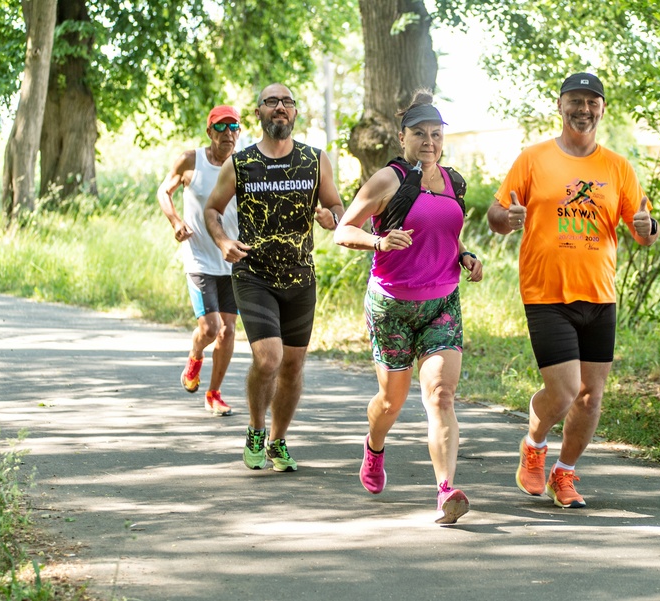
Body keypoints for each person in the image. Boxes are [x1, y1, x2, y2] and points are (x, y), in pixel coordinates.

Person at [487, 72, 660, 509]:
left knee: (590, 395)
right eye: (575, 101)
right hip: (546, 292)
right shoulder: (533, 159)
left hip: (599, 294)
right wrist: (506, 218)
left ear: (602, 109)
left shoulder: (618, 167)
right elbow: (495, 212)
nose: (584, 109)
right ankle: (534, 443)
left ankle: (563, 473)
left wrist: (648, 228)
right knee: (564, 391)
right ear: (560, 105)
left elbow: (642, 229)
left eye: (592, 102)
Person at [333, 89, 483, 525]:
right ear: (403, 138)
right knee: (391, 401)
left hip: (441, 302)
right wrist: (379, 240)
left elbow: (447, 237)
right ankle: (375, 447)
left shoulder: (453, 182)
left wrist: (465, 256)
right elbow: (343, 231)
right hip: (392, 306)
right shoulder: (388, 180)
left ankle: (444, 491)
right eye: (420, 134)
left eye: (436, 134)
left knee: (440, 393)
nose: (429, 142)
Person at [204, 83, 344, 472]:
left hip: (300, 277)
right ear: (259, 113)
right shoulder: (241, 163)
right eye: (271, 102)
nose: (280, 108)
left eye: (287, 102)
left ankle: (278, 441)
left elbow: (335, 204)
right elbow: (212, 210)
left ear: (295, 113)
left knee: (294, 367)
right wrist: (222, 241)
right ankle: (255, 428)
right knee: (269, 359)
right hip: (254, 275)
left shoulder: (316, 160)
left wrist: (331, 216)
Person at [157, 104, 242, 416]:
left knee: (229, 331)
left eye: (233, 127)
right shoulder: (191, 159)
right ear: (210, 132)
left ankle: (214, 393)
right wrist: (176, 222)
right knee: (209, 328)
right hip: (199, 258)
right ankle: (195, 357)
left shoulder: (243, 163)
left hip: (232, 259)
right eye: (220, 127)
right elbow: (164, 192)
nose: (228, 133)